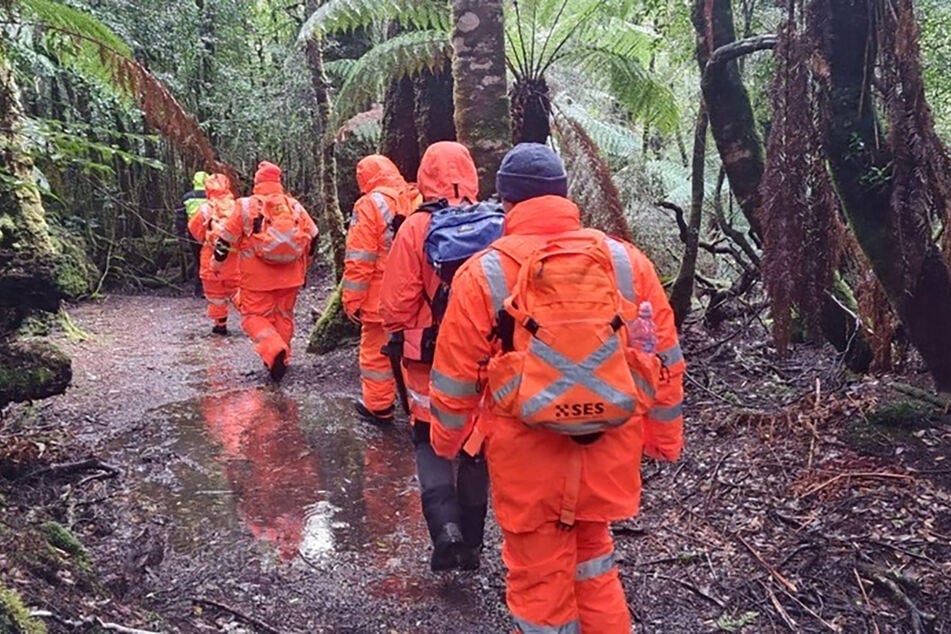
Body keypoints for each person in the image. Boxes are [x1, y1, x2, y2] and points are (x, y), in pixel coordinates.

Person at [429, 143, 686, 632]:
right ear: (566, 196)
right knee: (594, 561)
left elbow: (454, 376)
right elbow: (664, 359)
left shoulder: (484, 272)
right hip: (608, 445)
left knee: (536, 578)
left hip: (527, 457)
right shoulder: (628, 263)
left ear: (505, 202)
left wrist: (447, 442)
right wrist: (663, 439)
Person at [379, 141, 489, 572]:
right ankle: (475, 543)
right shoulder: (496, 221)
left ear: (424, 176)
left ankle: (447, 532)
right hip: (482, 356)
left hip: (427, 356)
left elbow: (394, 307)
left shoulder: (415, 228)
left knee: (430, 441)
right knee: (476, 444)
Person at [214, 161, 318, 382]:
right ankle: (283, 358)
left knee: (254, 316)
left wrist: (217, 264)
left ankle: (273, 350)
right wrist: (306, 264)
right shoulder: (294, 206)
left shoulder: (245, 206)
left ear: (257, 182)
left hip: (257, 280)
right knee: (283, 315)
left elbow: (225, 240)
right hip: (291, 277)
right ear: (278, 182)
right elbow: (314, 235)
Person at [342, 155, 418, 424]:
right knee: (415, 353)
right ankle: (420, 413)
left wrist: (352, 298)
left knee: (376, 353)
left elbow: (361, 258)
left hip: (380, 296)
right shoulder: (417, 196)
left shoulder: (369, 204)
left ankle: (379, 406)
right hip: (416, 295)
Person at [188, 173, 239, 335]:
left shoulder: (205, 209)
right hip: (236, 261)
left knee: (215, 295)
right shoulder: (238, 207)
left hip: (211, 258)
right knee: (238, 291)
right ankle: (253, 318)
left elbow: (195, 231)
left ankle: (220, 324)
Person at [177, 171, 209, 296]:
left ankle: (199, 290)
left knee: (198, 260)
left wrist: (180, 233)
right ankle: (213, 289)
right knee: (212, 261)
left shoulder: (187, 197)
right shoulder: (212, 196)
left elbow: (180, 217)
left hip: (193, 233)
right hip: (211, 232)